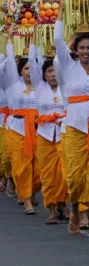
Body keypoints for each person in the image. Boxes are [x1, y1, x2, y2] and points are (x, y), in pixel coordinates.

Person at [55, 9, 89, 237]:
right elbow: (57, 40)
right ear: (75, 50)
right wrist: (59, 13)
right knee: (75, 178)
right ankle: (75, 207)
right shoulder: (67, 67)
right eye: (82, 48)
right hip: (74, 127)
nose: (86, 52)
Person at [30, 45, 68, 224]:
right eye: (49, 71)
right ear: (43, 74)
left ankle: (63, 203)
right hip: (44, 135)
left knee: (64, 172)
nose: (52, 74)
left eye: (55, 71)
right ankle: (51, 208)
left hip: (63, 133)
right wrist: (33, 42)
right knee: (47, 174)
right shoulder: (39, 86)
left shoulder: (65, 87)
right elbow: (32, 62)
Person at [4, 46, 41, 214]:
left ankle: (32, 191)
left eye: (31, 69)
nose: (28, 72)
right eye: (25, 68)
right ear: (19, 71)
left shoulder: (42, 86)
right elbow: (10, 64)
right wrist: (10, 42)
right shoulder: (12, 84)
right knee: (22, 166)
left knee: (39, 168)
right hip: (17, 129)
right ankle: (26, 199)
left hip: (39, 130)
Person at [0, 45, 15, 198]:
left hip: (10, 121)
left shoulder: (13, 84)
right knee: (2, 156)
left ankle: (10, 178)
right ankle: (6, 177)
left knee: (7, 155)